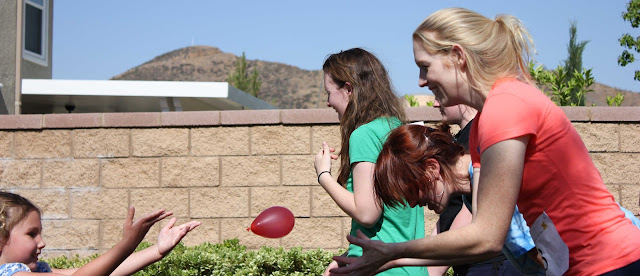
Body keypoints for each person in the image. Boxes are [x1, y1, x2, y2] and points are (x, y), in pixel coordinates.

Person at [329, 7, 640, 276]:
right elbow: (476, 240)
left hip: (612, 263)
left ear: (457, 57)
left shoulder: (506, 108)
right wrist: (389, 258)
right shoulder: (485, 122)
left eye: (425, 67)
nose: (421, 81)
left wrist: (394, 251)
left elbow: (486, 236)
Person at [314, 48, 426, 275]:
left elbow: (367, 214)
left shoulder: (364, 135)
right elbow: (393, 222)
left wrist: (323, 175)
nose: (328, 102)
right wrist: (348, 257)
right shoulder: (397, 128)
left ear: (348, 89)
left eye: (329, 93)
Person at [0, 191, 200, 275]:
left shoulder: (36, 270)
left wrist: (157, 250)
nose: (41, 242)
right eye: (31, 234)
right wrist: (127, 243)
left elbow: (106, 272)